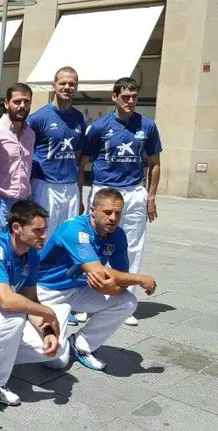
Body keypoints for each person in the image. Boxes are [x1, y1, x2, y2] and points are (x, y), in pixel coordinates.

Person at [0, 200, 71, 406]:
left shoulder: (32, 253)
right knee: (15, 318)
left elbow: (30, 298)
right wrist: (47, 312)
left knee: (55, 349)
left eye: (44, 230)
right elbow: (7, 300)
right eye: (37, 230)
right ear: (16, 228)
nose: (44, 236)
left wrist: (47, 331)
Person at [37, 188, 157, 370]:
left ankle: (81, 345)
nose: (113, 218)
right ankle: (30, 324)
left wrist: (114, 288)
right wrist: (140, 279)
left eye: (118, 213)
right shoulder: (75, 230)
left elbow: (119, 278)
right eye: (107, 212)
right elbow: (99, 272)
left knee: (127, 302)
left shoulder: (117, 235)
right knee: (57, 362)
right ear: (92, 210)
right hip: (48, 291)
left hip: (79, 289)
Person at [78, 77, 162, 326]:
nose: (130, 101)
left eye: (134, 96)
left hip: (134, 192)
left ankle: (125, 301)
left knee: (133, 247)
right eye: (125, 96)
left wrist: (152, 196)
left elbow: (155, 163)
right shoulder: (99, 127)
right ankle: (85, 299)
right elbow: (82, 162)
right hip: (105, 190)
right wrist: (82, 196)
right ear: (114, 97)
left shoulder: (147, 126)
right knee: (93, 246)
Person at [27, 66, 85, 240]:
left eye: (72, 84)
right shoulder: (38, 118)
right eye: (63, 83)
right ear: (54, 85)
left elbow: (79, 157)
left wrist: (80, 193)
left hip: (70, 188)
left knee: (68, 237)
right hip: (46, 186)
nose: (67, 87)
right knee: (43, 236)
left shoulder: (80, 118)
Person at [0, 83, 36, 233]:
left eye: (26, 101)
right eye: (17, 101)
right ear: (6, 103)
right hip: (0, 202)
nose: (22, 106)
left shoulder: (30, 134)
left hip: (24, 202)